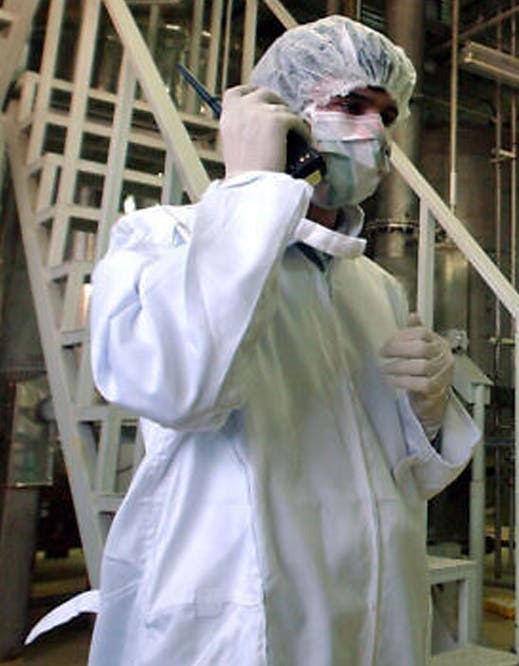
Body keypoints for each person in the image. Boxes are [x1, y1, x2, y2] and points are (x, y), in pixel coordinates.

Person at [85, 16, 479, 665]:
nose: (375, 131)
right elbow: (185, 387)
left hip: (374, 617)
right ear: (283, 115)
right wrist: (254, 188)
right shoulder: (166, 241)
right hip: (246, 624)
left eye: (387, 113)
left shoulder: (373, 285)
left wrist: (427, 418)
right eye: (351, 104)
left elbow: (399, 478)